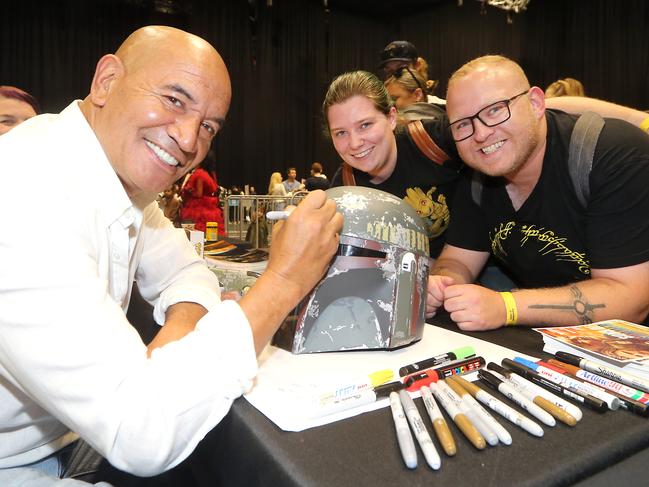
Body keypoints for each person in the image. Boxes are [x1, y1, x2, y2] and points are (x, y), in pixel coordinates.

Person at [0, 25, 342, 485]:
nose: (187, 140)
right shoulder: (22, 194)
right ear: (106, 82)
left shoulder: (120, 180)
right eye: (174, 100)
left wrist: (166, 347)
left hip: (71, 441)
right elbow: (142, 431)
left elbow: (187, 269)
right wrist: (282, 281)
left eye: (207, 126)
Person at [426, 55, 649, 331]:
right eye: (462, 124)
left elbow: (632, 299)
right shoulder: (477, 178)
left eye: (495, 110)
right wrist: (442, 283)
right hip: (547, 343)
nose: (480, 134)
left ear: (535, 103)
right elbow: (458, 259)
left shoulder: (612, 155)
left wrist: (506, 307)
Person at [326, 70, 461, 258]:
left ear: (391, 118)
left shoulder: (433, 142)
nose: (355, 143)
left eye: (365, 125)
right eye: (341, 132)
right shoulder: (347, 186)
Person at [377, 40, 445, 105]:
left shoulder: (443, 108)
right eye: (390, 72)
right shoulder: (382, 109)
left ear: (417, 65)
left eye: (401, 69)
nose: (395, 76)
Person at [179, 161, 224, 233]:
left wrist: (188, 190)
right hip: (210, 206)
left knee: (197, 231)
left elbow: (199, 194)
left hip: (199, 207)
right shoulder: (210, 174)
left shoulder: (199, 173)